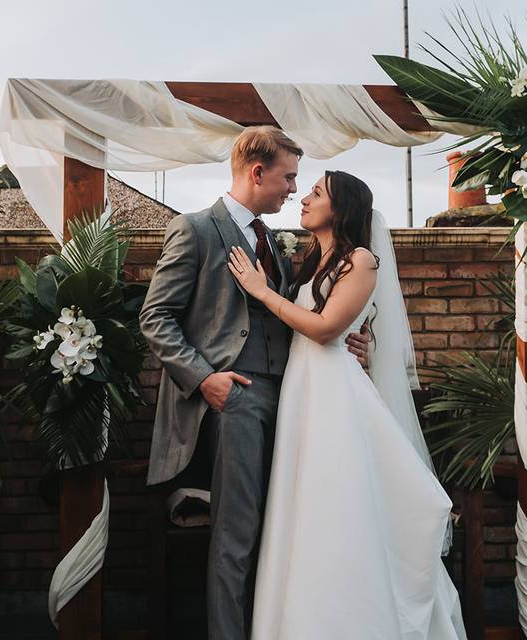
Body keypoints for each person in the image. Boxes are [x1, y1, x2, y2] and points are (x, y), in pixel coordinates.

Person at [139, 127, 370, 640]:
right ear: (257, 172)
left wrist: (354, 343)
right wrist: (205, 381)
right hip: (235, 398)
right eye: (289, 177)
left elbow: (309, 316)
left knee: (285, 527)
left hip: (293, 398)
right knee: (237, 533)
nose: (294, 189)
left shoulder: (275, 242)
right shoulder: (195, 229)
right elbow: (155, 317)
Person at [228, 170, 467, 639]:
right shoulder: (310, 259)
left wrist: (261, 291)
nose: (304, 197)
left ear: (341, 209)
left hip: (334, 395)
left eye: (316, 193)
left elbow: (324, 328)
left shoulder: (361, 259)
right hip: (303, 389)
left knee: (335, 506)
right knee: (302, 512)